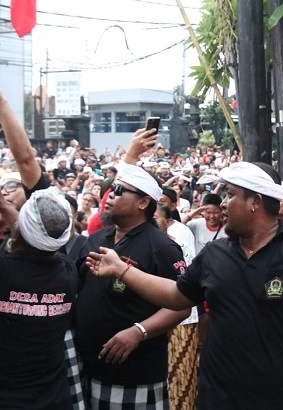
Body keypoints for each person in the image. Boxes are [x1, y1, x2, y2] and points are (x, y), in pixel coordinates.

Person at [84, 161, 283, 409]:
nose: (221, 203)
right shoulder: (214, 254)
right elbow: (175, 295)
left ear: (256, 202)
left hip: (278, 400)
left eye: (230, 194)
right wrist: (121, 270)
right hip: (217, 399)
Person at [74, 164, 189, 409]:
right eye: (111, 188)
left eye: (119, 190)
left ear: (143, 203)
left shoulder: (162, 248)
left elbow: (182, 305)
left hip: (133, 377)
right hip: (88, 368)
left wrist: (138, 332)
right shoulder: (97, 239)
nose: (111, 195)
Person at [0, 187, 77, 409]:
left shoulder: (4, 270)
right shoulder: (67, 272)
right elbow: (38, 236)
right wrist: (6, 207)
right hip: (52, 398)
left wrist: (5, 207)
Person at [154, 203, 199, 410]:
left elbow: (186, 289)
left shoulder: (178, 246)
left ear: (168, 222)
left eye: (156, 217)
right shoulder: (147, 243)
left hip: (182, 320)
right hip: (154, 322)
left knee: (181, 378)